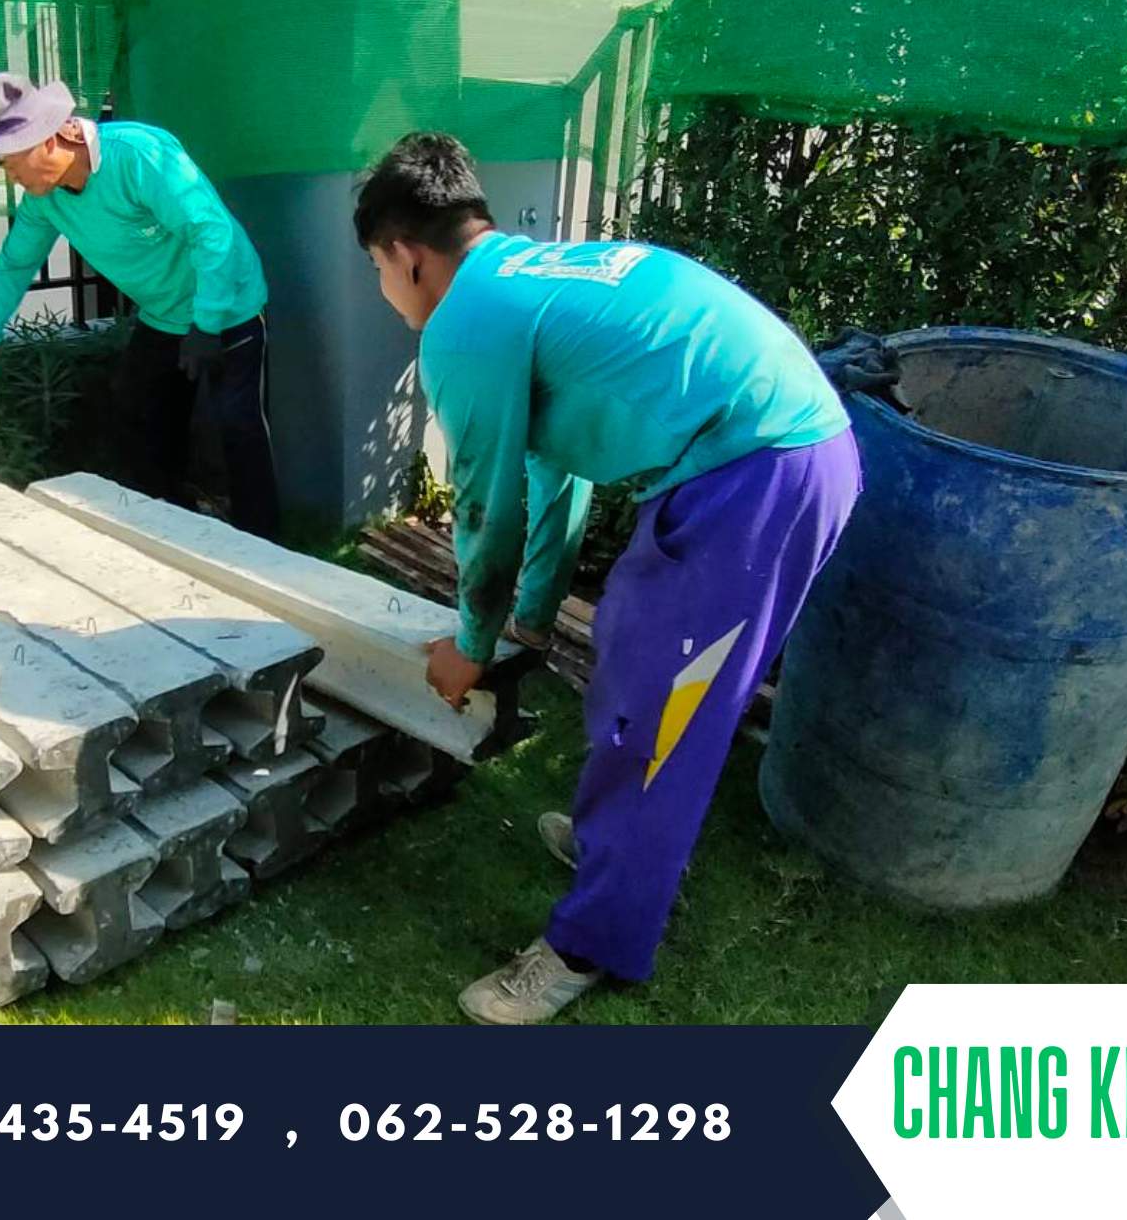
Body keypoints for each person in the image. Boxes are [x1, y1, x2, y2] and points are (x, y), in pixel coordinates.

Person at [354, 132, 861, 1025]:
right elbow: (554, 469)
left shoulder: (465, 322)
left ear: (405, 254)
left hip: (760, 476)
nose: (386, 293)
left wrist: (469, 648)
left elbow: (486, 510)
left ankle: (590, 944)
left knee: (664, 720)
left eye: (377, 271)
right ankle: (610, 853)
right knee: (634, 669)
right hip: (758, 459)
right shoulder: (526, 276)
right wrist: (531, 618)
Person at [0, 72, 280, 539]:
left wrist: (207, 324)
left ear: (45, 140)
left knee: (236, 425)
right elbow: (13, 267)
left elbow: (210, 231)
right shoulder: (45, 201)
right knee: (138, 418)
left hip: (228, 306)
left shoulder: (138, 156)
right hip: (163, 316)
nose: (11, 176)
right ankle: (172, 529)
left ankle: (266, 545)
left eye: (9, 161)